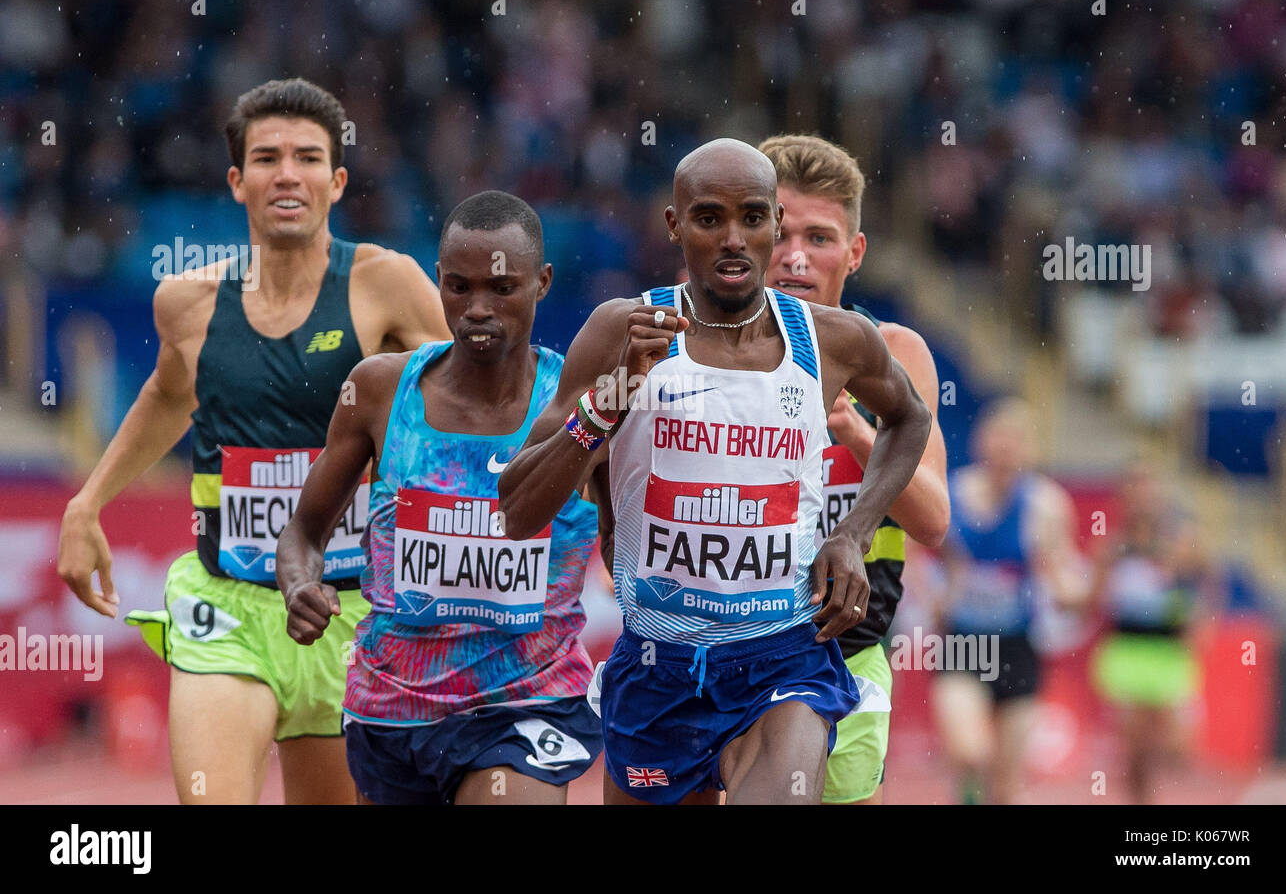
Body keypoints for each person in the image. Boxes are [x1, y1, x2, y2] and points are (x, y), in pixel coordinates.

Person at [499, 138, 932, 805]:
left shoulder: (831, 340)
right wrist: (611, 396)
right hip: (657, 664)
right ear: (674, 225)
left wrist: (852, 531)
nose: (734, 239)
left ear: (772, 226)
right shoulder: (623, 327)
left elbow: (911, 419)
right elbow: (519, 507)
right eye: (709, 219)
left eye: (753, 218)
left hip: (781, 659)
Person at [56, 78, 451, 804]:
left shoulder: (386, 284)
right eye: (267, 158)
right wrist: (87, 504)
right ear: (237, 182)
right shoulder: (187, 301)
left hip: (350, 612)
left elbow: (467, 404)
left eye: (307, 157)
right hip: (228, 604)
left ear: (336, 179)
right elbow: (169, 397)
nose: (287, 173)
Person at [275, 190, 603, 805]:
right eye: (459, 287)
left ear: (543, 283)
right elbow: (304, 531)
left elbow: (629, 544)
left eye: (502, 290)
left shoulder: (579, 407)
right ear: (438, 283)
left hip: (527, 701)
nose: (477, 309)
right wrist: (300, 585)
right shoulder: (378, 390)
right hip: (391, 707)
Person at [760, 133, 950, 805]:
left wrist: (853, 426)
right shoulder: (697, 355)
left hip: (852, 648)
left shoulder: (895, 353)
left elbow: (932, 521)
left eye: (820, 237)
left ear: (855, 252)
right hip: (726, 645)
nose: (795, 257)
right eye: (779, 231)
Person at [931, 397, 1086, 804]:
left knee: (1006, 782)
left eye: (1016, 442)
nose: (1005, 450)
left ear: (1031, 450)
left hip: (1018, 647)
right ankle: (967, 792)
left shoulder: (1047, 507)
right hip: (964, 643)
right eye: (998, 439)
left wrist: (1080, 592)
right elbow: (917, 560)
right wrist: (935, 595)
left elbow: (1066, 580)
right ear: (982, 443)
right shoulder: (953, 493)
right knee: (970, 751)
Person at [1089, 461, 1205, 804]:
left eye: (1148, 491)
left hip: (1168, 651)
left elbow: (1203, 580)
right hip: (1127, 648)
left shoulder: (1180, 541)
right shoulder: (1112, 548)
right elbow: (1095, 599)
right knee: (1135, 746)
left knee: (1176, 747)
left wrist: (1200, 621)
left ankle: (1149, 785)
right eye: (1135, 491)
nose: (1142, 499)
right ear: (1125, 499)